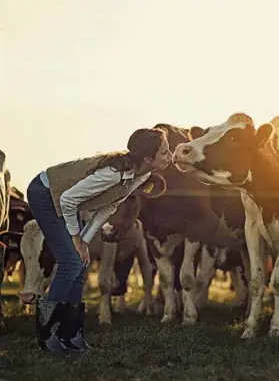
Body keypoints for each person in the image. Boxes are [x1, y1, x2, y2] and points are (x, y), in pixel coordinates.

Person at [26, 127, 172, 354]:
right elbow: (67, 200)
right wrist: (76, 238)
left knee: (80, 264)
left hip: (68, 201)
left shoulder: (140, 175)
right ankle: (48, 337)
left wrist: (84, 240)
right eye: (165, 152)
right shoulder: (113, 172)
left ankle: (71, 335)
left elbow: (109, 206)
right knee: (71, 263)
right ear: (147, 158)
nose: (170, 156)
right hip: (45, 193)